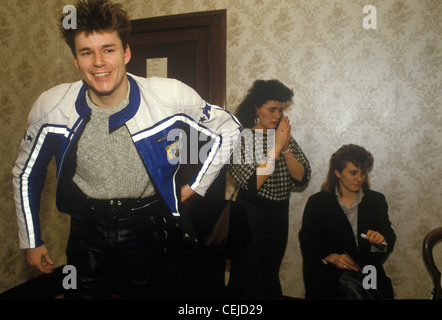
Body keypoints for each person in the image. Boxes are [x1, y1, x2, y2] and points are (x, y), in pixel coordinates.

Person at [11, 0, 240, 299]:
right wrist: (32, 240)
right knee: (79, 294)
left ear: (126, 52)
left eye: (108, 49)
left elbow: (228, 129)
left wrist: (197, 186)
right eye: (87, 52)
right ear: (75, 60)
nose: (99, 62)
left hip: (146, 226)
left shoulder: (167, 95)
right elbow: (26, 174)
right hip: (84, 229)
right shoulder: (52, 107)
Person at [227, 79, 311, 298]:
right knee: (249, 274)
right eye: (271, 109)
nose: (276, 115)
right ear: (257, 109)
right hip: (251, 215)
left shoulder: (282, 137)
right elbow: (252, 183)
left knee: (269, 272)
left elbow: (302, 177)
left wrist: (285, 149)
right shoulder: (242, 138)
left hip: (278, 215)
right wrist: (275, 147)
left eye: (280, 110)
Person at [299, 144, 396, 299]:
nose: (359, 179)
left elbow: (389, 237)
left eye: (363, 173)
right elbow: (307, 240)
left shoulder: (376, 201)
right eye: (353, 173)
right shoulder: (318, 202)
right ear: (337, 172)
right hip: (329, 276)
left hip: (368, 273)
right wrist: (332, 257)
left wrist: (380, 241)